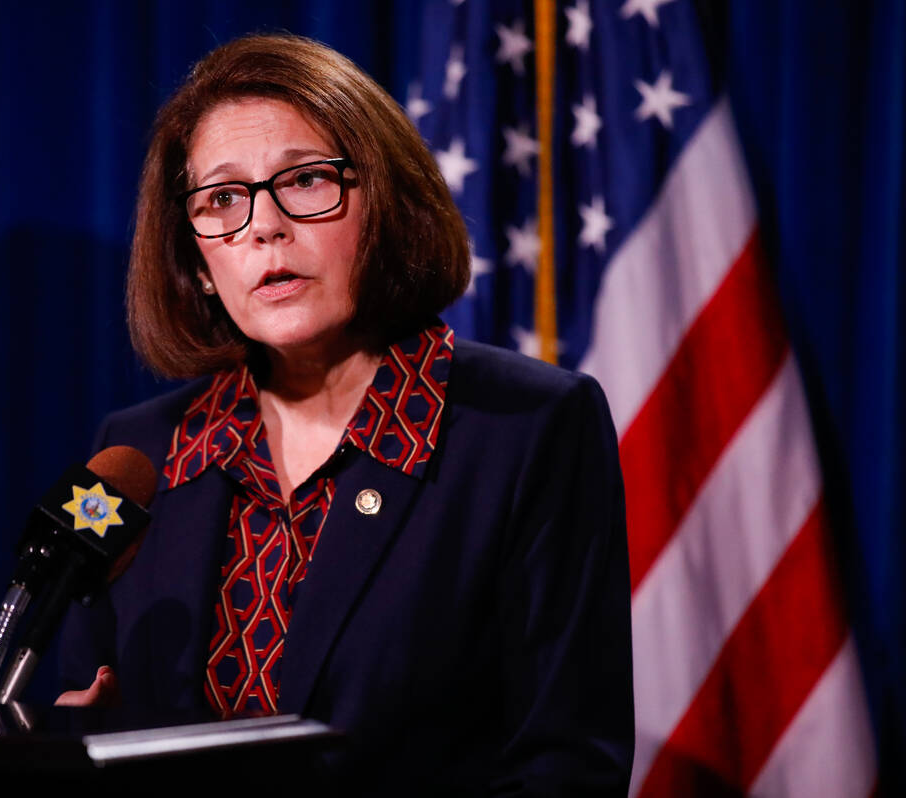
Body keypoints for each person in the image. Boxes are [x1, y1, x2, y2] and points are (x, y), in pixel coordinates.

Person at [57, 33, 633, 795]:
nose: (263, 226)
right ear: (197, 262)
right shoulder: (131, 451)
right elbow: (69, 693)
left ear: (385, 204)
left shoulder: (530, 427)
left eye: (304, 180)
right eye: (222, 199)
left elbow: (566, 764)